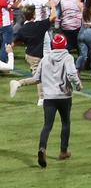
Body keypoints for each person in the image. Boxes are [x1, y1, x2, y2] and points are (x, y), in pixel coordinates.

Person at [9, 32, 81, 167]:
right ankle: (63, 151)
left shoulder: (45, 59)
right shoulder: (68, 57)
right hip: (64, 96)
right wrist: (78, 85)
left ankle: (42, 148)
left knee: (47, 125)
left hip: (48, 97)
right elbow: (72, 74)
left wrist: (21, 83)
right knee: (66, 123)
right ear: (65, 45)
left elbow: (36, 79)